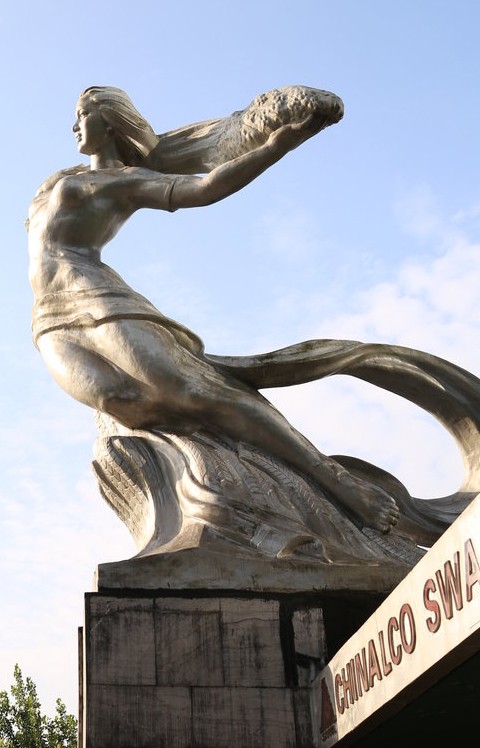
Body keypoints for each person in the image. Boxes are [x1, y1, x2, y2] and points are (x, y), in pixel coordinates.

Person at [27, 85, 402, 534]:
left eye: (83, 114)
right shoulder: (61, 178)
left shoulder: (125, 181)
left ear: (109, 122)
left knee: (198, 392)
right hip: (48, 319)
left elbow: (206, 188)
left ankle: (336, 481)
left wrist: (276, 146)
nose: (74, 125)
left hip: (97, 298)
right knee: (118, 400)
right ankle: (221, 478)